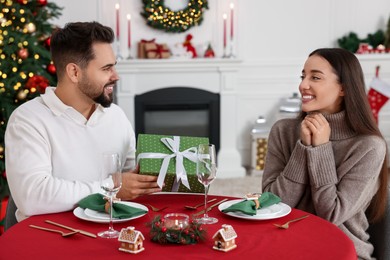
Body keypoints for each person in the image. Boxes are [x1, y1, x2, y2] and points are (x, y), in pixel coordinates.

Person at [5, 21, 161, 222]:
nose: (116, 76)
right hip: (48, 239)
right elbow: (32, 197)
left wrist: (148, 179)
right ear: (74, 72)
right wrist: (111, 187)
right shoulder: (28, 120)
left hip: (109, 235)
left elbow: (129, 180)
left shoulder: (116, 116)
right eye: (106, 69)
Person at [262, 48, 388, 259]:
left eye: (316, 77)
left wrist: (320, 149)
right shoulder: (283, 131)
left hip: (342, 252)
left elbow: (330, 215)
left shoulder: (369, 147)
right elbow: (272, 204)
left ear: (343, 89)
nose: (303, 85)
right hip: (286, 246)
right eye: (303, 76)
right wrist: (304, 147)